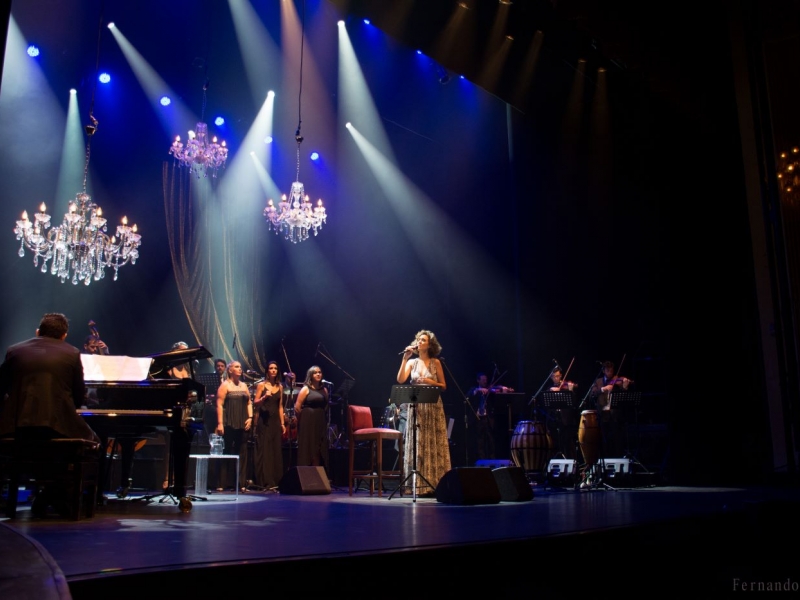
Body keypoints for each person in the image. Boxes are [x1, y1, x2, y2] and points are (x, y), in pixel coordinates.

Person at [0, 313, 101, 515]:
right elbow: (79, 397)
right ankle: (59, 495)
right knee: (93, 443)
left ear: (38, 332)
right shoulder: (72, 353)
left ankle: (44, 493)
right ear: (64, 335)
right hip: (56, 424)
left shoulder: (14, 351)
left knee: (39, 449)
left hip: (17, 427)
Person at [397, 329, 450, 495]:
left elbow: (444, 386)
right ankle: (418, 483)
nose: (419, 342)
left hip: (433, 405)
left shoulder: (436, 362)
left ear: (429, 345)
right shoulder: (412, 362)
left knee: (432, 441)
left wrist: (428, 381)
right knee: (418, 441)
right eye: (418, 340)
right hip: (417, 404)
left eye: (423, 340)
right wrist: (405, 359)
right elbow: (400, 380)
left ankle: (435, 483)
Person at [215, 361, 253, 492]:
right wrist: (220, 423)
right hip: (229, 422)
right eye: (237, 367)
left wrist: (250, 418)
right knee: (226, 452)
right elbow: (219, 404)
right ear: (230, 370)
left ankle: (240, 483)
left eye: (240, 367)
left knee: (242, 452)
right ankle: (222, 483)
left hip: (242, 422)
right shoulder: (225, 385)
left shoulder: (244, 385)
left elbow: (249, 403)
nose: (240, 369)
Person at [253, 360, 285, 489]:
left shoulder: (280, 387)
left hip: (275, 420)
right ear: (267, 371)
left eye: (275, 368)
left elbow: (280, 406)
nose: (273, 370)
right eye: (271, 368)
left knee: (275, 449)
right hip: (264, 419)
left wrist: (282, 423)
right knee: (265, 449)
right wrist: (264, 398)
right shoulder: (262, 385)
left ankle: (276, 481)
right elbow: (255, 403)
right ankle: (265, 480)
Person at [294, 365, 329, 470]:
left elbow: (326, 405)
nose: (318, 374)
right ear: (311, 375)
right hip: (308, 421)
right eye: (315, 372)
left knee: (319, 447)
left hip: (320, 421)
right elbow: (297, 407)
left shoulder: (324, 390)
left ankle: (318, 473)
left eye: (320, 372)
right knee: (309, 446)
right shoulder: (305, 389)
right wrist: (303, 420)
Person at [468, 372, 496, 461]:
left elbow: (496, 390)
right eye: (483, 380)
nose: (485, 381)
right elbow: (469, 394)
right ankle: (481, 460)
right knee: (479, 441)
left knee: (490, 440)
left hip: (487, 419)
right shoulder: (474, 389)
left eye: (486, 380)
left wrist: (503, 388)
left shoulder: (488, 390)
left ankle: (491, 460)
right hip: (478, 419)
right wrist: (478, 390)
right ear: (478, 380)